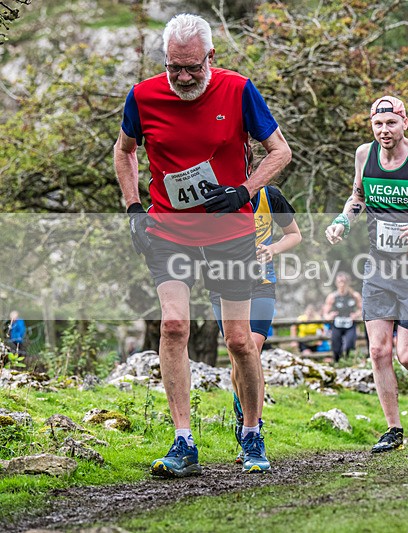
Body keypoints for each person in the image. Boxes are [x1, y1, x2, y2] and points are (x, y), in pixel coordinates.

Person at [114, 13, 292, 477]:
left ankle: (251, 433)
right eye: (175, 67)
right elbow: (125, 150)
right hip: (168, 231)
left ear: (211, 57)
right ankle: (183, 441)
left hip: (230, 233)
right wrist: (133, 208)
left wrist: (245, 191)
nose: (185, 77)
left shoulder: (237, 90)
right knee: (174, 326)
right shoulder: (143, 96)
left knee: (238, 340)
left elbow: (280, 151)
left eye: (193, 66)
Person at [325, 95, 408, 453]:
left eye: (390, 123)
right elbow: (358, 195)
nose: (384, 131)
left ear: (405, 122)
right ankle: (393, 429)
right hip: (379, 266)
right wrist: (344, 220)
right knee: (379, 351)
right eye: (377, 124)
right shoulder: (365, 154)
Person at [209, 184, 301, 465]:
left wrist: (273, 248)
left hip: (261, 284)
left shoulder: (268, 195)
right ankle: (242, 408)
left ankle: (252, 430)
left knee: (251, 346)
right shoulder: (214, 193)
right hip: (222, 283)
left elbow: (295, 235)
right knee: (237, 353)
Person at [322, 272, 362, 363]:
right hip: (337, 324)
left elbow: (362, 309)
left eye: (344, 281)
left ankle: (349, 362)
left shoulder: (354, 295)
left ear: (348, 282)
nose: (342, 284)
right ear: (336, 283)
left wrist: (356, 314)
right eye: (340, 281)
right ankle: (337, 363)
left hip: (350, 324)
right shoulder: (332, 296)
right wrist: (329, 316)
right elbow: (325, 313)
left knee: (349, 345)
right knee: (336, 348)